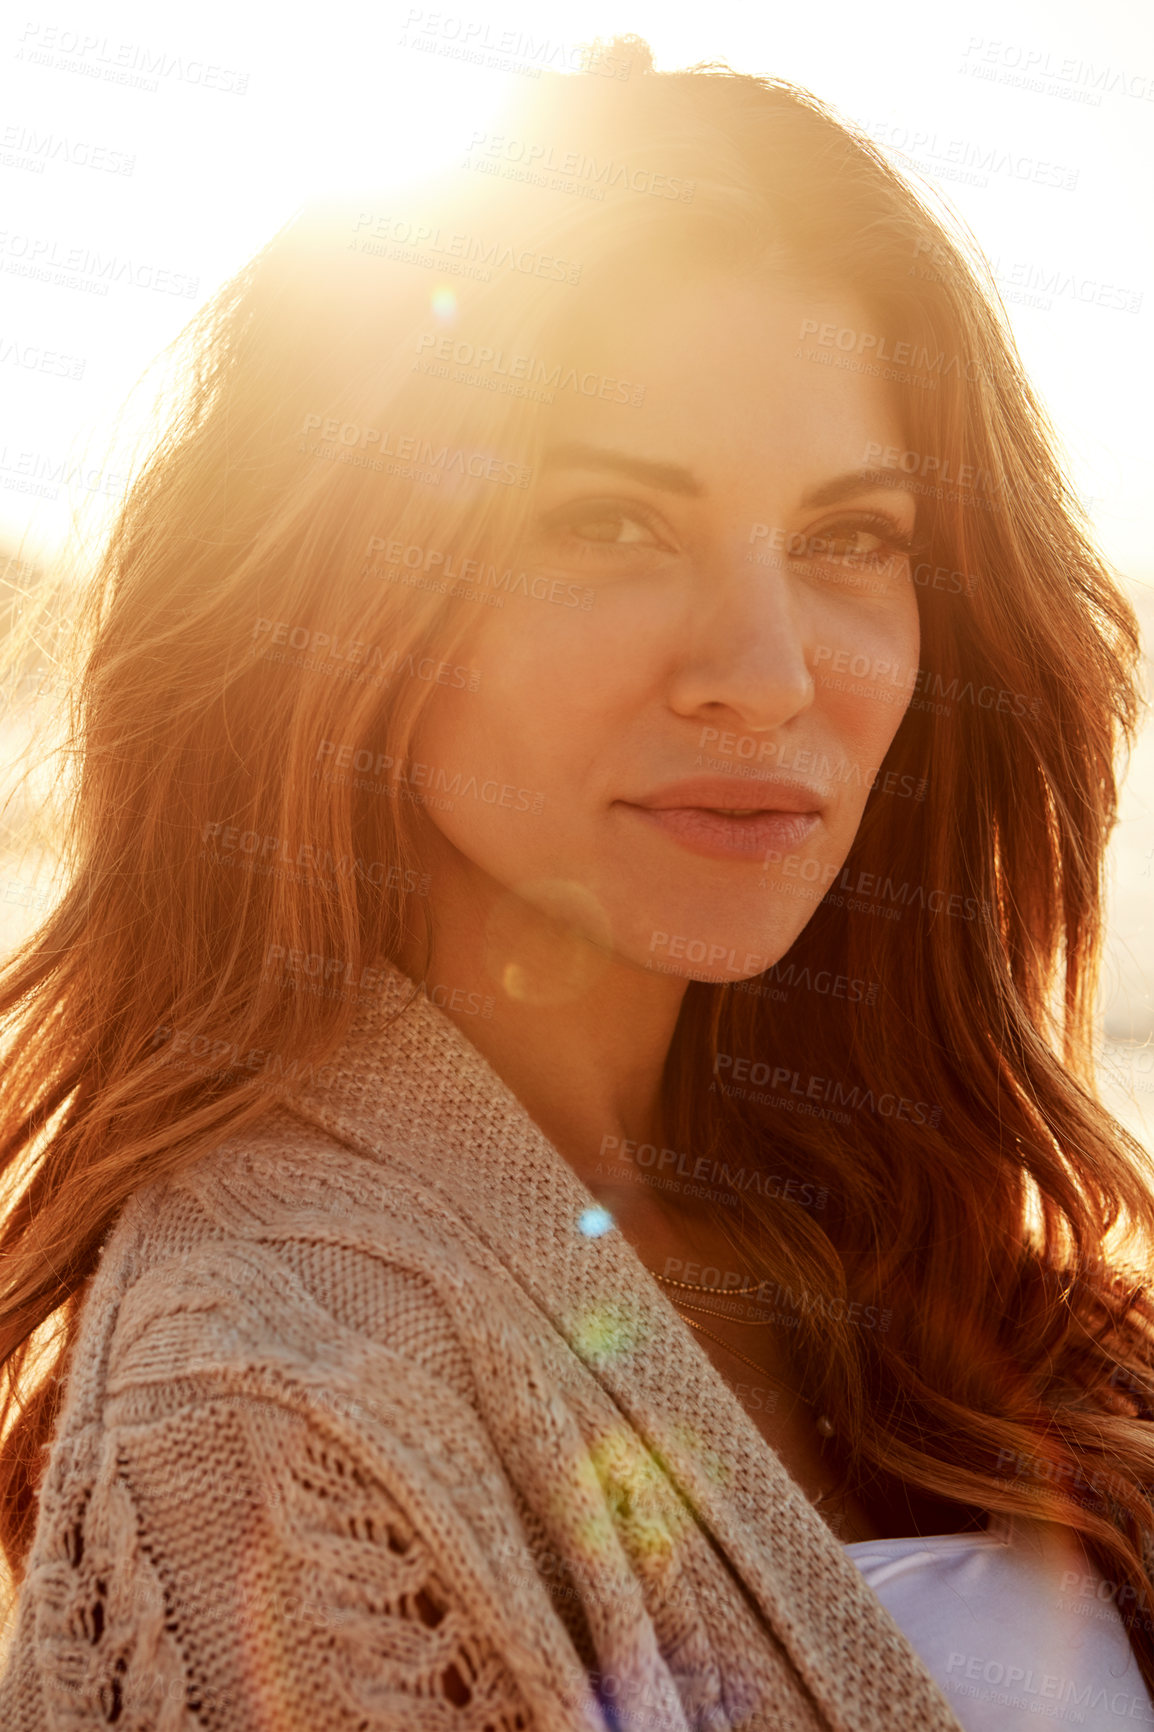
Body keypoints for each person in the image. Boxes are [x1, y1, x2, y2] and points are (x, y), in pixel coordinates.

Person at [2, 34, 1154, 1732]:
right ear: (340, 605)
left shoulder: (922, 1240)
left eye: (850, 539)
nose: (762, 673)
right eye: (607, 524)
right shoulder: (269, 1395)